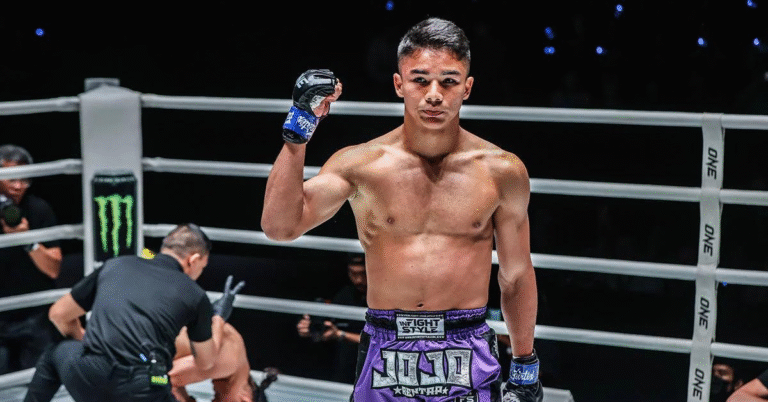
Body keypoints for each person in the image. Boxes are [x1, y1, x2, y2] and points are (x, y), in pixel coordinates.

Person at [262, 17, 542, 402]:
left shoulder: (502, 171)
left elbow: (516, 275)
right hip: (386, 345)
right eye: (420, 80)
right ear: (399, 84)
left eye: (448, 81)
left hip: (467, 345)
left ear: (467, 87)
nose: (434, 95)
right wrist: (299, 129)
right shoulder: (361, 165)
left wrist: (525, 365)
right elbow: (280, 226)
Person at [23, 223, 220, 402]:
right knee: (157, 379)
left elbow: (58, 314)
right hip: (143, 388)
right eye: (202, 268)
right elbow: (206, 362)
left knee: (55, 353)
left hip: (90, 374)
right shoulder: (195, 294)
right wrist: (217, 319)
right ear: (193, 260)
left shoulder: (115, 265)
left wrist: (82, 341)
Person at [0, 144, 63, 374]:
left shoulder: (39, 209)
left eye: (24, 180)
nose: (18, 186)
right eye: (12, 179)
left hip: (35, 315)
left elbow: (53, 269)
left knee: (38, 382)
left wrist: (28, 241)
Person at [169, 276, 279, 402]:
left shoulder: (237, 345)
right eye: (217, 399)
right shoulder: (229, 365)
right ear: (244, 399)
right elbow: (162, 379)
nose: (212, 401)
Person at [296, 253, 367, 383]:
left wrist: (340, 335)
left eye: (363, 274)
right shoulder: (346, 294)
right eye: (353, 274)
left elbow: (387, 340)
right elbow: (327, 323)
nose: (358, 280)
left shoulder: (389, 297)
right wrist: (309, 327)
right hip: (345, 371)